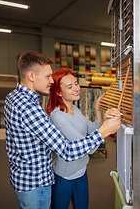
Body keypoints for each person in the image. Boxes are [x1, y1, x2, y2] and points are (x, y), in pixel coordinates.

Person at [4, 51, 121, 209]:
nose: (51, 81)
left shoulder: (14, 97)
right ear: (31, 76)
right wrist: (105, 131)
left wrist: (98, 111)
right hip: (36, 183)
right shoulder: (31, 109)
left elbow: (90, 131)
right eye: (47, 76)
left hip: (30, 178)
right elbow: (67, 151)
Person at [46, 68, 119, 209]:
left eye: (76, 83)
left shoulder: (75, 109)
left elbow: (92, 130)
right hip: (65, 176)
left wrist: (97, 108)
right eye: (70, 86)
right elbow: (89, 148)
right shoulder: (57, 116)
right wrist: (106, 130)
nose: (76, 88)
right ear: (58, 92)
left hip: (81, 171)